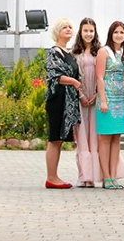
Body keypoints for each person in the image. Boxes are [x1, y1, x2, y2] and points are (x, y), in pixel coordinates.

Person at [44, 17, 82, 189]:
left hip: (67, 100)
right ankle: (51, 177)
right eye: (64, 27)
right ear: (57, 32)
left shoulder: (68, 53)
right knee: (55, 138)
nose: (68, 29)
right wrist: (74, 82)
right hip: (57, 99)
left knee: (59, 140)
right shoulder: (54, 52)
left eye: (70, 27)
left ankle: (54, 176)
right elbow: (54, 76)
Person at [95, 20, 124, 189]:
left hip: (121, 100)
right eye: (116, 32)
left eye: (122, 33)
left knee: (116, 138)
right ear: (111, 34)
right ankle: (106, 176)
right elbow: (99, 77)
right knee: (105, 138)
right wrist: (103, 100)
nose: (119, 35)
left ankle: (114, 175)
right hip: (108, 99)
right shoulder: (104, 52)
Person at [72, 17, 101, 187]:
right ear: (80, 32)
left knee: (95, 137)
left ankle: (95, 175)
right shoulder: (74, 53)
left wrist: (97, 94)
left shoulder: (101, 52)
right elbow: (73, 76)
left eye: (91, 31)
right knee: (82, 137)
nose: (88, 34)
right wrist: (81, 94)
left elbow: (103, 75)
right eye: (85, 31)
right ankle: (84, 176)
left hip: (96, 98)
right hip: (81, 98)